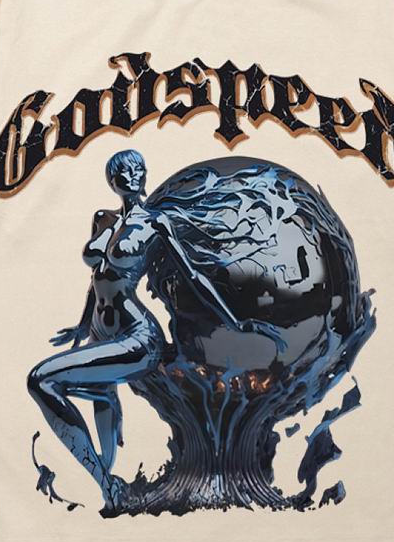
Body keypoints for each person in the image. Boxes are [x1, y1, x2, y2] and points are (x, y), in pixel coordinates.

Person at [27, 149, 275, 508]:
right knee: (96, 427)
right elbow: (97, 279)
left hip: (137, 337)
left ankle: (108, 486)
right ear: (112, 179)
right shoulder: (103, 219)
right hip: (100, 333)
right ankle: (107, 485)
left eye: (138, 169)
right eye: (123, 171)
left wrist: (232, 319)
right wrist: (82, 327)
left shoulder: (156, 223)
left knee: (41, 380)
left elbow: (193, 277)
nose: (132, 176)